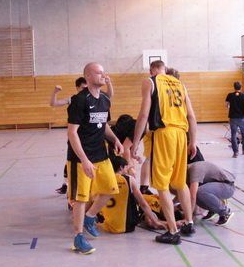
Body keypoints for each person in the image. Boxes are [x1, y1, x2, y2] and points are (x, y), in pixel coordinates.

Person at [132, 60, 197, 245]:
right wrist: (193, 141)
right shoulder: (180, 84)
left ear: (153, 69)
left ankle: (173, 231)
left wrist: (135, 142)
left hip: (164, 134)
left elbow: (144, 115)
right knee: (180, 182)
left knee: (162, 185)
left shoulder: (150, 81)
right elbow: (191, 116)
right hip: (181, 135)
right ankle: (189, 223)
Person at [66, 62, 124, 255]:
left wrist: (115, 140)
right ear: (88, 77)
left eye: (103, 72)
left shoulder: (105, 99)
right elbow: (72, 132)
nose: (103, 75)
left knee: (110, 188)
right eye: (99, 73)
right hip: (80, 158)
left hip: (101, 154)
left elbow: (104, 124)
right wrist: (84, 160)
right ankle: (78, 237)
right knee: (80, 198)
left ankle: (90, 217)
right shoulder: (79, 100)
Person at [99, 156, 166, 233]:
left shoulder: (103, 180)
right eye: (126, 167)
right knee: (147, 213)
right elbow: (143, 204)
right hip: (128, 226)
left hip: (107, 224)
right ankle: (170, 223)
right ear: (121, 167)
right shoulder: (129, 179)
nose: (127, 170)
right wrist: (155, 221)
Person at [53, 77, 89, 195]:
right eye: (83, 88)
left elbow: (109, 95)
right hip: (76, 135)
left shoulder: (91, 99)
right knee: (71, 161)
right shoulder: (73, 99)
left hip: (89, 136)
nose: (85, 90)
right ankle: (67, 186)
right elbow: (54, 103)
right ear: (77, 88)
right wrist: (55, 93)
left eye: (87, 87)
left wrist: (108, 84)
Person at [187, 160, 235, 225]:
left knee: (199, 192)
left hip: (228, 186)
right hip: (219, 185)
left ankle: (225, 212)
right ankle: (213, 210)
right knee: (197, 196)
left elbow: (193, 196)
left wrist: (188, 218)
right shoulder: (188, 171)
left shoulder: (195, 170)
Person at [225, 81, 244, 157]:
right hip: (241, 118)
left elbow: (226, 105)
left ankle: (235, 152)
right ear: (241, 87)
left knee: (233, 135)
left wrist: (231, 106)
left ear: (234, 87)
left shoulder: (230, 95)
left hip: (233, 118)